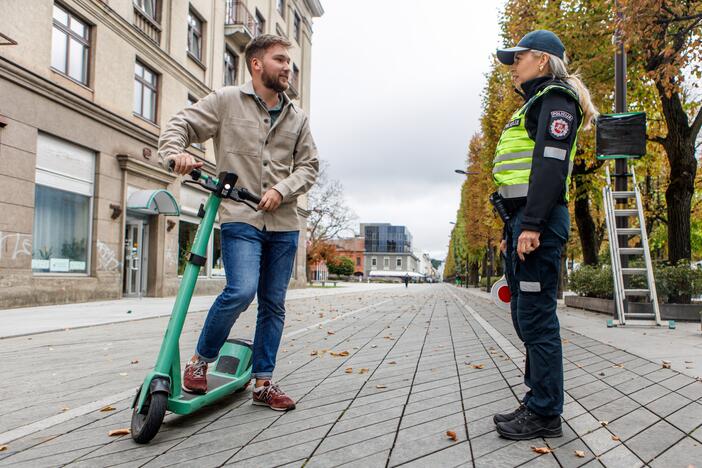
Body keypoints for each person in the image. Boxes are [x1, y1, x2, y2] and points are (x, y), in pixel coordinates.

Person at [158, 34, 319, 411]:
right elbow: (180, 124)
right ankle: (200, 360)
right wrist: (174, 153)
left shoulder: (297, 118)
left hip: (283, 222)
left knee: (274, 304)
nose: (287, 68)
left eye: (289, 62)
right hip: (241, 217)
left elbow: (309, 166)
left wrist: (283, 189)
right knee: (241, 290)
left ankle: (263, 383)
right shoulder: (227, 100)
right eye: (280, 60)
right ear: (256, 64)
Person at [490, 30, 598, 439]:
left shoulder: (556, 99)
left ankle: (546, 413)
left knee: (536, 320)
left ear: (541, 59)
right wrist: (512, 227)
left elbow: (551, 166)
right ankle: (537, 398)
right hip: (522, 222)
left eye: (518, 58)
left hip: (539, 222)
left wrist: (532, 224)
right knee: (525, 315)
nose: (513, 66)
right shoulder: (537, 102)